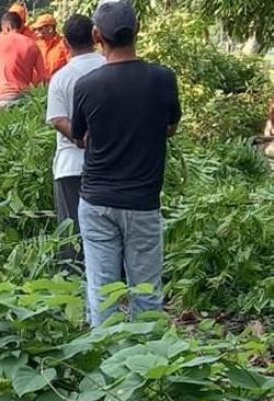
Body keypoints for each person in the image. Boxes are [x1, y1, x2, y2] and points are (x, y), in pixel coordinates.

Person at [71, 1, 181, 326]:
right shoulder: (163, 79)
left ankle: (103, 366)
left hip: (96, 202)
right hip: (143, 203)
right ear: (138, 31)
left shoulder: (87, 85)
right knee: (146, 292)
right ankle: (147, 368)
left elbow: (79, 137)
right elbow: (170, 127)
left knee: (101, 292)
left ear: (96, 35)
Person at [45, 14, 105, 263]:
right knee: (105, 231)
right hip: (109, 164)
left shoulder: (62, 77)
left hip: (71, 166)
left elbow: (58, 119)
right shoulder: (109, 66)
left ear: (65, 43)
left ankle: (73, 283)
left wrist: (82, 137)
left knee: (72, 232)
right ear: (95, 36)